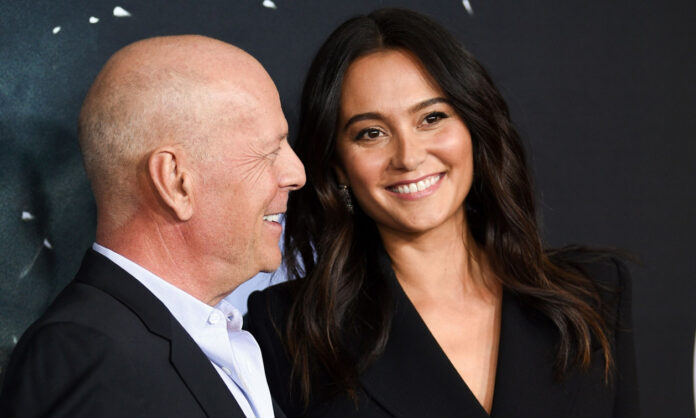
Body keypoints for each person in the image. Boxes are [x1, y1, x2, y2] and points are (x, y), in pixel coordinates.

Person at [245, 8, 639, 418]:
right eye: (371, 133)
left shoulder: (593, 295)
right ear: (338, 166)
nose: (409, 157)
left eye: (431, 118)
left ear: (473, 127)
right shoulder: (289, 330)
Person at [0, 35, 305, 417]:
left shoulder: (196, 341)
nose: (297, 174)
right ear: (176, 182)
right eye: (270, 151)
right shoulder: (86, 358)